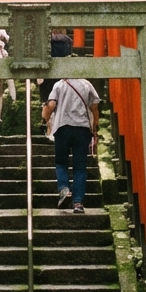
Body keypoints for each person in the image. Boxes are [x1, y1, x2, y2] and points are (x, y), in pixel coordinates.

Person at [42, 75, 99, 213]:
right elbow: (95, 107)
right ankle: (78, 203)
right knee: (80, 167)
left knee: (61, 162)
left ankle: (64, 189)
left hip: (63, 127)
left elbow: (52, 105)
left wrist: (45, 119)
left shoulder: (59, 85)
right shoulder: (87, 84)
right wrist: (95, 127)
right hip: (82, 129)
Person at [37, 30, 73, 141]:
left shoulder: (42, 43)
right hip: (62, 75)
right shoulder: (66, 40)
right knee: (62, 103)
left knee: (47, 102)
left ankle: (50, 130)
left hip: (47, 76)